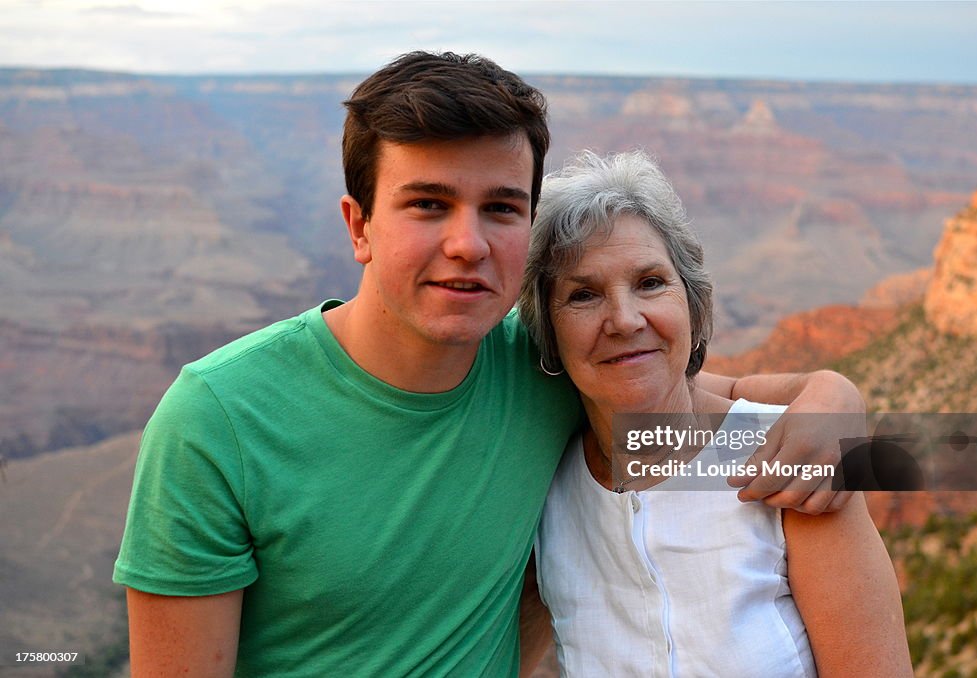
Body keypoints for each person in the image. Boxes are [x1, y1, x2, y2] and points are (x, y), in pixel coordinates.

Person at [114, 52, 867, 677]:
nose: (468, 244)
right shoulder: (217, 418)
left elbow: (708, 397)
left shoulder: (546, 367)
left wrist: (833, 396)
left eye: (502, 207)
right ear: (359, 225)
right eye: (429, 204)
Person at [518, 150, 912, 676]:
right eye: (583, 295)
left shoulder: (791, 459)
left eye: (650, 282)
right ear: (548, 330)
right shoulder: (541, 484)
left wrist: (832, 390)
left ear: (694, 304)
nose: (625, 318)